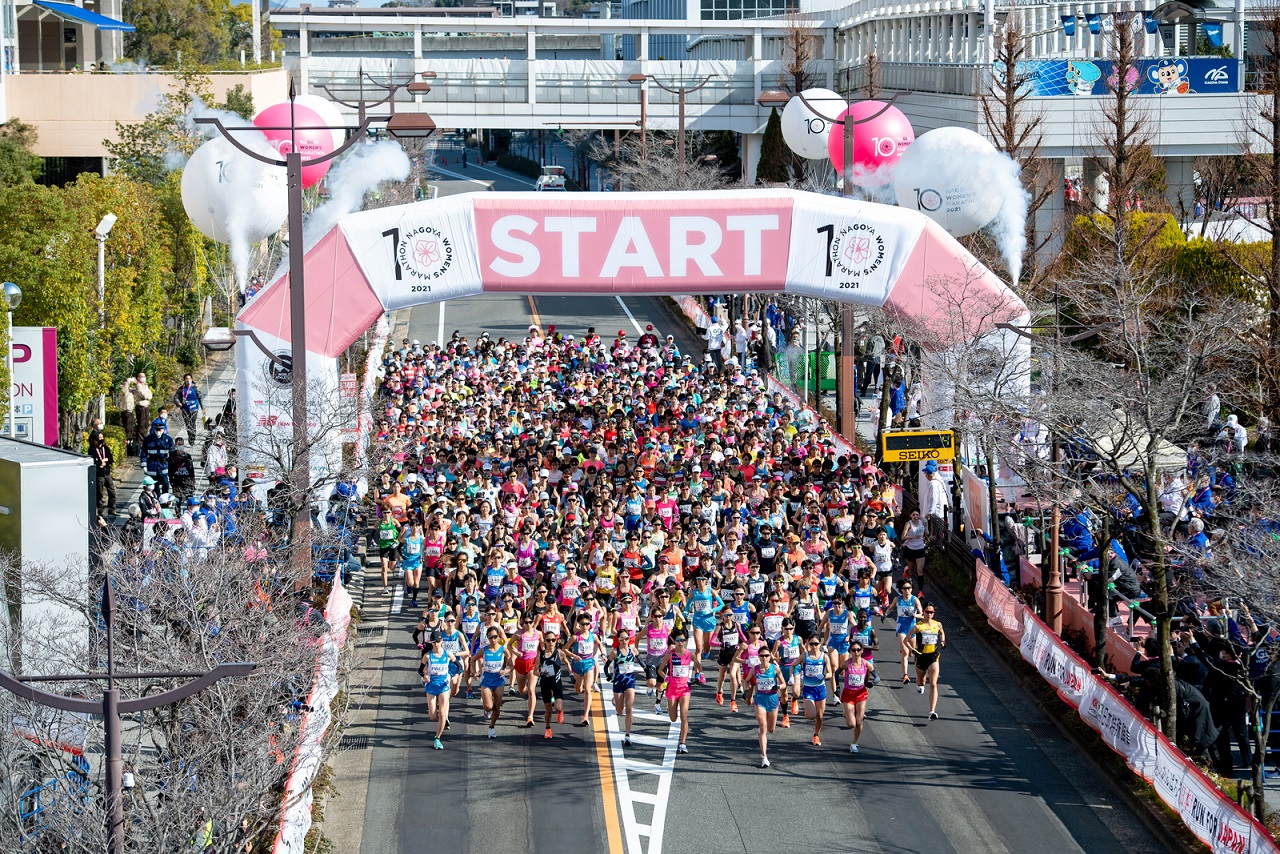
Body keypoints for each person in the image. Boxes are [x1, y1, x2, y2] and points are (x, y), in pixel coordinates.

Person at [658, 629, 702, 754]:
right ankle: (670, 707)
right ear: (674, 641)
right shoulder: (670, 654)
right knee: (673, 718)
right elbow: (660, 670)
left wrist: (699, 674)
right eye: (678, 640)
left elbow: (698, 664)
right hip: (672, 688)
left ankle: (682, 743)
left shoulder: (689, 654)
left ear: (686, 640)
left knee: (684, 717)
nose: (680, 642)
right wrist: (666, 678)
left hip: (684, 689)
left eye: (682, 640)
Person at [419, 631, 458, 750]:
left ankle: (437, 738)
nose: (436, 644)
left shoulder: (448, 654)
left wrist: (455, 675)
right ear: (431, 642)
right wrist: (424, 676)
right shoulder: (427, 656)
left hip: (444, 686)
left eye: (438, 641)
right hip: (431, 686)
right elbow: (420, 670)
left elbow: (458, 666)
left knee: (441, 714)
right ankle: (441, 716)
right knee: (432, 716)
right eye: (434, 642)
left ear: (442, 641)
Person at [909, 603, 945, 720]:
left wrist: (943, 641)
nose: (929, 614)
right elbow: (906, 640)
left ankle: (932, 711)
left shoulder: (937, 624)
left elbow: (942, 632)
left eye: (931, 612)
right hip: (921, 656)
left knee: (933, 683)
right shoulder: (918, 626)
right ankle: (919, 684)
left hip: (933, 656)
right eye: (927, 612)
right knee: (921, 681)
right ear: (923, 612)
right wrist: (913, 650)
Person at [565, 613, 602, 726]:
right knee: (578, 688)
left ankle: (585, 715)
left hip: (589, 663)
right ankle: (577, 684)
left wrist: (603, 654)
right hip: (577, 664)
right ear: (579, 625)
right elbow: (565, 649)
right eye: (582, 624)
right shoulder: (575, 637)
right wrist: (574, 656)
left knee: (587, 689)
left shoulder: (593, 636)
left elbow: (599, 643)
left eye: (587, 624)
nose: (585, 626)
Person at [839, 641, 877, 752]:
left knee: (859, 721)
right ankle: (846, 713)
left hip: (861, 693)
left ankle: (854, 743)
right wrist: (836, 687)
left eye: (858, 650)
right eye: (853, 650)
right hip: (849, 693)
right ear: (850, 651)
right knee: (851, 724)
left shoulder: (866, 664)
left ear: (862, 651)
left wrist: (872, 683)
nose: (856, 652)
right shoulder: (846, 663)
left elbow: (877, 677)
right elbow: (836, 673)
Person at [478, 628, 513, 739]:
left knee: (497, 707)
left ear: (499, 637)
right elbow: (473, 659)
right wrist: (475, 671)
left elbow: (512, 666)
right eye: (490, 637)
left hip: (499, 680)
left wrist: (505, 671)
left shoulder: (503, 650)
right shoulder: (484, 650)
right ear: (487, 638)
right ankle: (486, 708)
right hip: (487, 680)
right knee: (489, 706)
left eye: (495, 637)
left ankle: (492, 727)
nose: (493, 639)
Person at [752, 646, 783, 768]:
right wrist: (746, 691)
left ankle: (761, 731)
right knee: (764, 728)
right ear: (758, 657)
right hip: (760, 699)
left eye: (767, 656)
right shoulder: (755, 669)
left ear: (770, 656)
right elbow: (747, 680)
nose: (764, 658)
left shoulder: (775, 669)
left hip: (773, 700)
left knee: (771, 729)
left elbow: (784, 683)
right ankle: (764, 757)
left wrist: (779, 687)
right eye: (762, 656)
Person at [610, 628, 640, 746]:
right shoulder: (614, 653)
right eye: (622, 639)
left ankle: (627, 735)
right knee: (620, 710)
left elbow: (640, 660)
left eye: (626, 638)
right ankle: (615, 700)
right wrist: (608, 675)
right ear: (618, 640)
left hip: (630, 682)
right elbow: (607, 665)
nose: (624, 641)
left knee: (629, 708)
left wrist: (647, 670)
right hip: (618, 682)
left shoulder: (633, 650)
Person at [799, 637, 829, 746]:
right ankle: (808, 708)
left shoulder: (824, 657)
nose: (814, 646)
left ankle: (816, 735)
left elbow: (830, 673)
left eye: (816, 644)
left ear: (820, 644)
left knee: (820, 716)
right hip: (808, 688)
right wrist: (795, 675)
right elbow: (794, 665)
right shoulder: (805, 656)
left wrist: (824, 675)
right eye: (812, 644)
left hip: (820, 689)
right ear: (808, 644)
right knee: (812, 716)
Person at [539, 630, 568, 739]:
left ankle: (560, 712)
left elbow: (566, 662)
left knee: (558, 707)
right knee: (548, 710)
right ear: (545, 642)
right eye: (548, 640)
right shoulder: (541, 655)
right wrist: (542, 672)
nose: (551, 642)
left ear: (556, 641)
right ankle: (548, 729)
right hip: (545, 683)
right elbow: (535, 671)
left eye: (553, 640)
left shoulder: (559, 653)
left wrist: (571, 675)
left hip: (556, 683)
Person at [894, 579, 922, 683]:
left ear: (911, 589)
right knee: (905, 653)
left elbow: (922, 614)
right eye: (905, 588)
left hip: (912, 628)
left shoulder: (915, 600)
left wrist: (914, 615)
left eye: (909, 588)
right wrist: (885, 614)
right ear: (901, 589)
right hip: (901, 627)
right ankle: (905, 675)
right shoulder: (898, 599)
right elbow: (891, 608)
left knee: (911, 652)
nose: (907, 590)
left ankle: (907, 650)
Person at [141, 417, 175, 493]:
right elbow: (143, 452)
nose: (158, 431)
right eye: (157, 430)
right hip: (152, 465)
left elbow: (172, 454)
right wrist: (144, 465)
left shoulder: (168, 439)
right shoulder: (148, 439)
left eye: (160, 430)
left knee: (165, 484)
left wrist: (172, 465)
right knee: (155, 486)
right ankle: (157, 500)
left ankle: (164, 500)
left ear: (163, 430)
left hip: (164, 465)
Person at [88, 430, 116, 516]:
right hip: (99, 475)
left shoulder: (105, 448)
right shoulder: (92, 450)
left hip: (107, 473)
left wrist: (104, 461)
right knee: (100, 493)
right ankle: (100, 510)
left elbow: (110, 459)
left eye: (101, 438)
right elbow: (94, 461)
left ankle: (112, 509)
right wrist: (101, 462)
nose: (100, 440)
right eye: (98, 439)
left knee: (112, 491)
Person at [173, 374, 206, 445]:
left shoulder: (195, 388)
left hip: (194, 408)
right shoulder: (181, 389)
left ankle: (192, 438)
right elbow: (176, 397)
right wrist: (178, 403)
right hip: (185, 409)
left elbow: (200, 398)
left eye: (189, 379)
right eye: (186, 379)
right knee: (188, 423)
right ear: (184, 380)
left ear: (191, 379)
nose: (188, 380)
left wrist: (203, 408)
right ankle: (189, 435)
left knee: (192, 423)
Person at [132, 372, 153, 445]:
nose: (143, 378)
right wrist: (147, 396)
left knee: (146, 425)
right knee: (141, 424)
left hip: (146, 406)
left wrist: (148, 396)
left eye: (144, 376)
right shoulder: (138, 386)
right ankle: (140, 442)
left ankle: (145, 440)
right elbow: (144, 395)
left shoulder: (145, 386)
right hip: (141, 407)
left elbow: (150, 395)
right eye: (141, 376)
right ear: (138, 378)